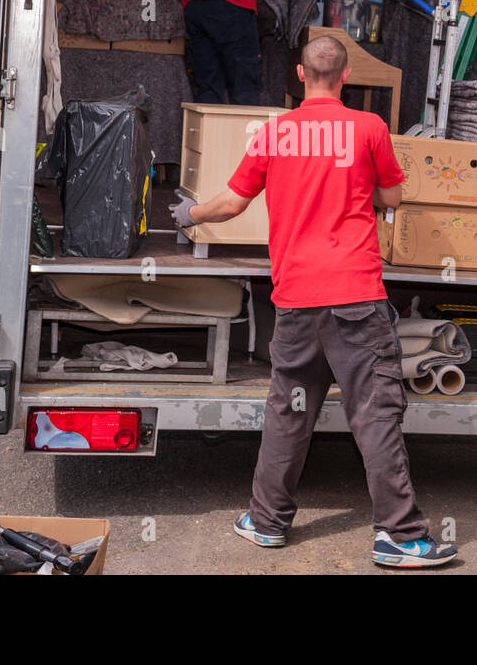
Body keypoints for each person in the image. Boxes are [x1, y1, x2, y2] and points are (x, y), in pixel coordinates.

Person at [169, 35, 458, 569]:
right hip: (355, 297)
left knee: (288, 412)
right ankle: (399, 537)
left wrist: (191, 216)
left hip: (296, 300)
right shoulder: (370, 129)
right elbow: (393, 197)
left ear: (300, 75)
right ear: (346, 77)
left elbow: (232, 203)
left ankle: (266, 521)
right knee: (374, 415)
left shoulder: (275, 132)